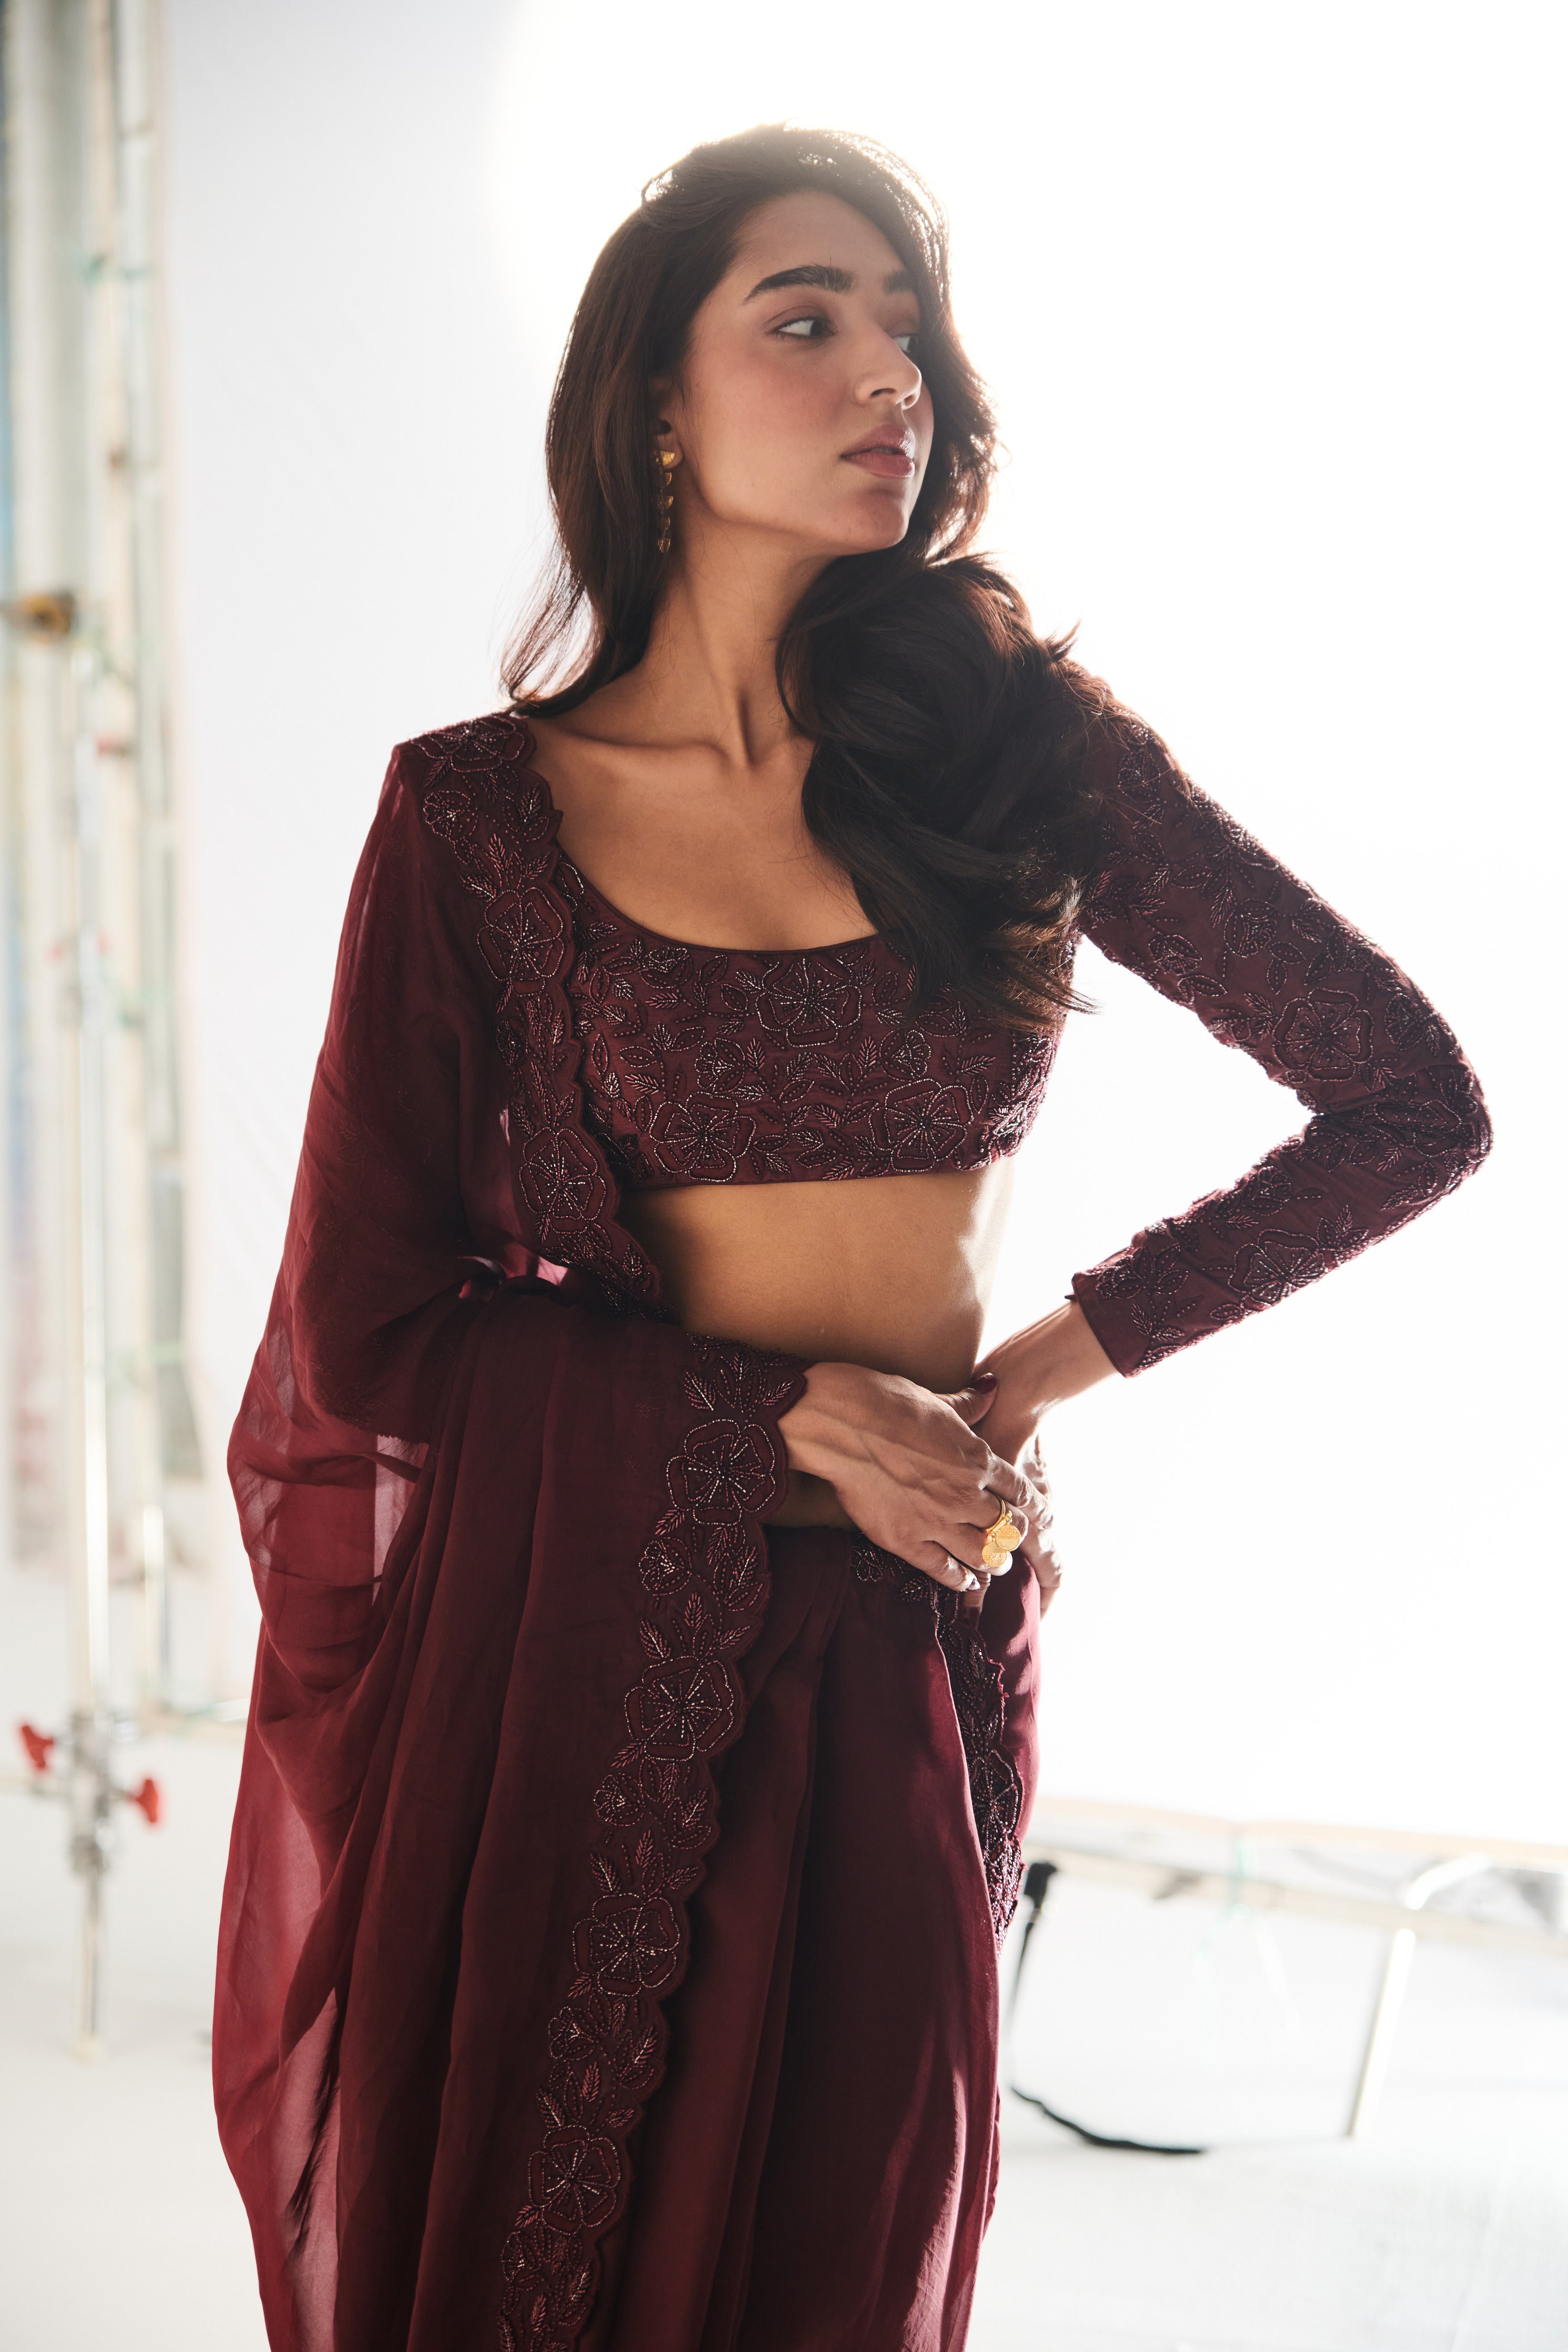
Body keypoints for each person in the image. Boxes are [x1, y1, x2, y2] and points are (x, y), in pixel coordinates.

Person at [214, 124, 1490, 2352]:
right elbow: (371, 1322)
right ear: (654, 404)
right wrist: (793, 1410)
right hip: (566, 1651)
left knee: (837, 2256)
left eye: (908, 329)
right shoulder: (476, 820)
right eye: (804, 321)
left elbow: (1405, 1100)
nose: (886, 372)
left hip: (897, 1633)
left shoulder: (1014, 755)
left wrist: (1032, 1375)